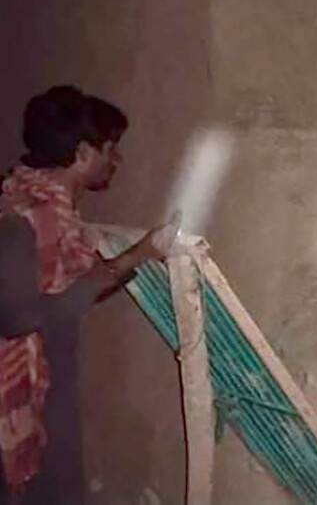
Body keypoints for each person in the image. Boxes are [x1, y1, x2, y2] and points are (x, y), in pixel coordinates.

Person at [0, 86, 167, 504]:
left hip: (49, 384)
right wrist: (131, 259)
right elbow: (18, 318)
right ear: (83, 154)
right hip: (18, 394)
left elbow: (71, 293)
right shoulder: (23, 218)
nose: (117, 160)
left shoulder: (59, 219)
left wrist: (127, 268)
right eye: (111, 149)